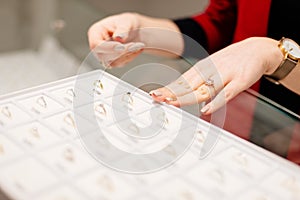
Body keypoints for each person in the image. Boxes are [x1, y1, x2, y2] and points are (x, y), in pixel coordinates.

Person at [88, 0, 300, 164]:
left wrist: (276, 57)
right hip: (229, 131)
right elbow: (219, 24)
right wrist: (144, 33)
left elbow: (259, 51)